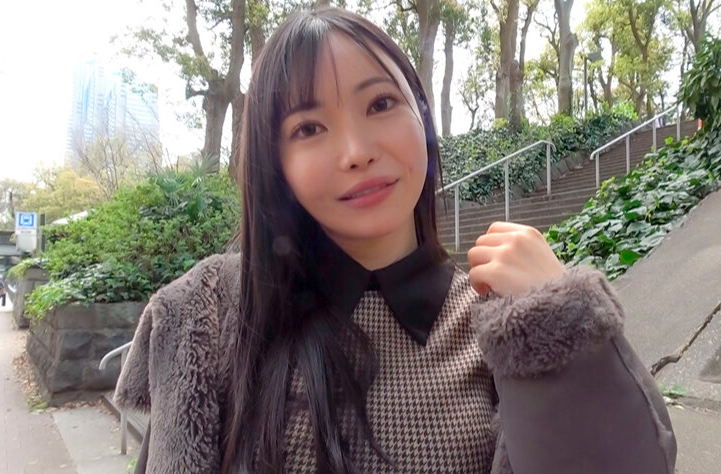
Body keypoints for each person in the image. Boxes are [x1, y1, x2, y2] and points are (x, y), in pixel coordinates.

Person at [115, 7, 676, 474]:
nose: (356, 151)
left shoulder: (503, 324)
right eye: (308, 128)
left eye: (380, 104)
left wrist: (557, 319)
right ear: (275, 164)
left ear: (422, 120)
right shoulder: (212, 314)